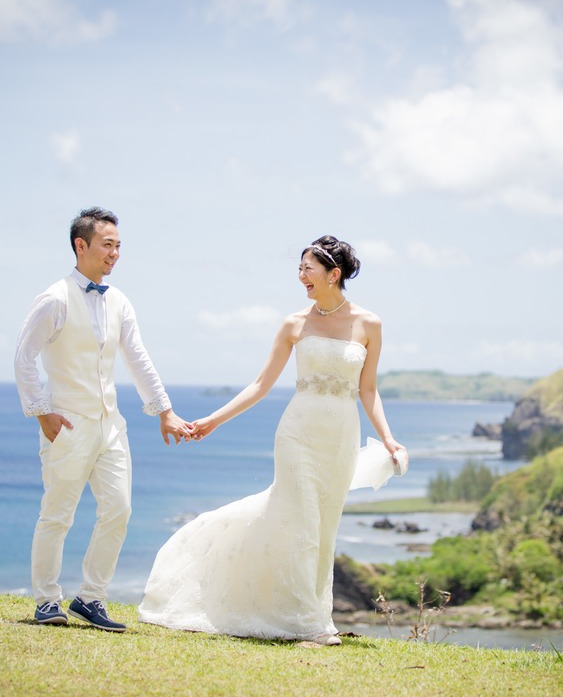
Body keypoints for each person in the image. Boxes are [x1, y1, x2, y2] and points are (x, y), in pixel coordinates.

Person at [138, 235, 406, 645]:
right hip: (298, 433)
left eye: (308, 269)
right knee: (302, 520)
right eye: (299, 269)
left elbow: (368, 390)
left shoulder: (370, 324)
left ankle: (315, 614)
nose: (301, 277)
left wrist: (388, 439)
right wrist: (214, 419)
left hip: (340, 437)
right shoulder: (294, 324)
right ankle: (305, 624)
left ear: (334, 274)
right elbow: (261, 384)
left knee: (324, 526)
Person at [14, 206, 193, 631]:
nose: (114, 253)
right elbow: (24, 356)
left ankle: (91, 598)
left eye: (118, 246)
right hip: (67, 426)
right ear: (81, 246)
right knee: (57, 513)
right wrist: (42, 413)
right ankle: (45, 601)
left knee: (120, 509)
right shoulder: (55, 298)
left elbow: (138, 359)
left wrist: (164, 412)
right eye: (107, 245)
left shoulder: (120, 301)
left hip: (111, 426)